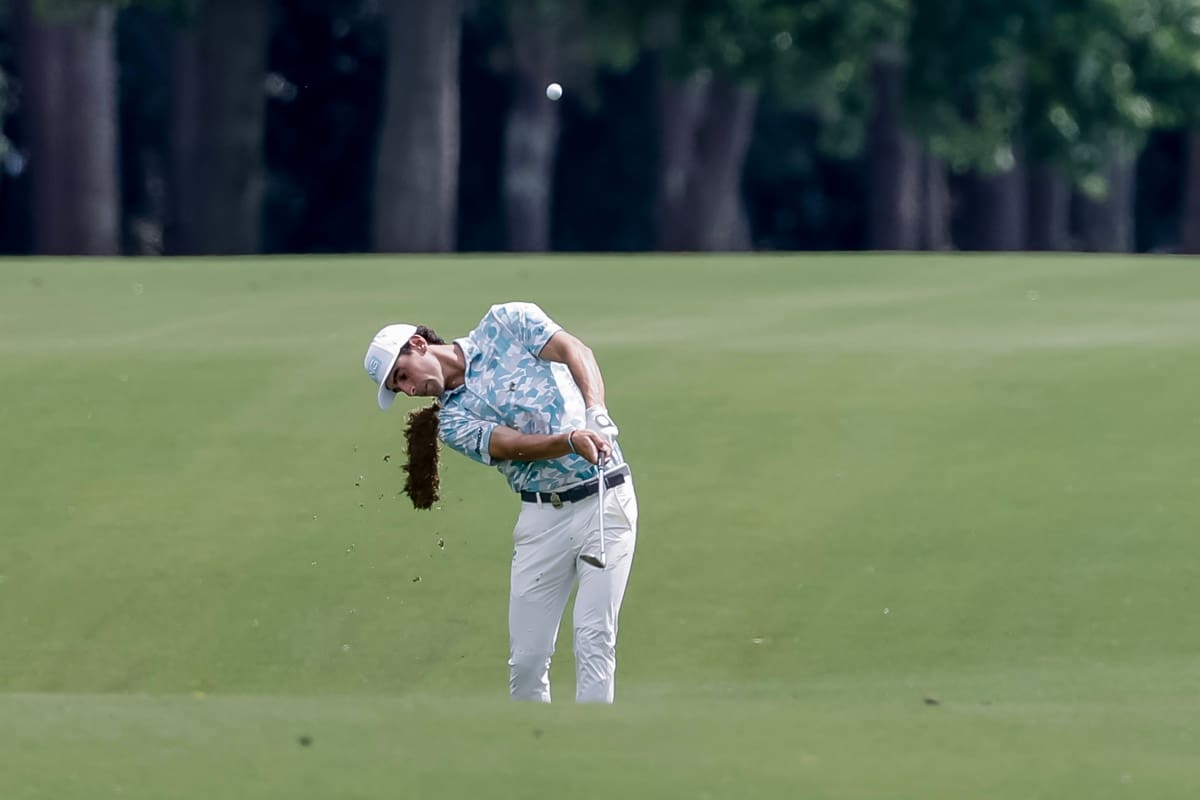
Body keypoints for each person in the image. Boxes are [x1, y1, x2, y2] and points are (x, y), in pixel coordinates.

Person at [363, 302, 638, 704]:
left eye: (402, 376)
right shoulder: (451, 422)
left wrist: (595, 410)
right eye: (397, 388)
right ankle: (535, 753)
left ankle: (591, 746)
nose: (408, 390)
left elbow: (575, 351)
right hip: (542, 520)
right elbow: (512, 446)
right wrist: (569, 440)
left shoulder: (506, 322)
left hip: (605, 498)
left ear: (418, 344)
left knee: (594, 636)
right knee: (527, 661)